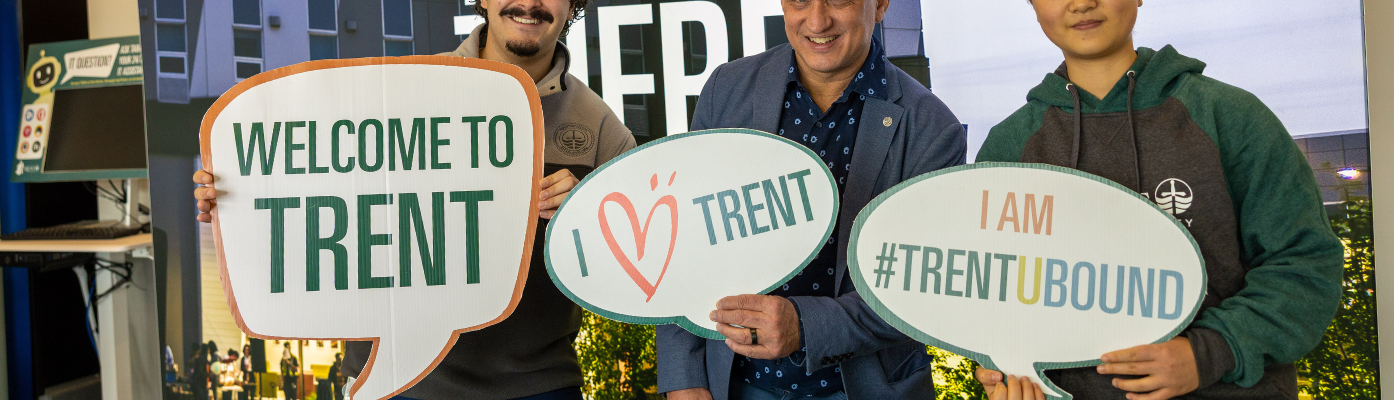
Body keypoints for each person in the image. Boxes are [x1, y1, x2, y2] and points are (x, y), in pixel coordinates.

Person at [191, 0, 636, 397]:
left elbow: (636, 263)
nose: (530, 3)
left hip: (535, 385)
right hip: (394, 382)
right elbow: (313, 183)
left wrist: (588, 215)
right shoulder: (403, 89)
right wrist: (236, 199)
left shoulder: (598, 128)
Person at [973, 0, 1344, 399]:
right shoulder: (1010, 145)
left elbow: (1304, 264)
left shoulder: (1230, 117)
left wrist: (1207, 353)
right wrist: (1003, 370)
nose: (1081, 3)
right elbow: (995, 295)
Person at [656, 0, 965, 398]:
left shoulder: (934, 130)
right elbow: (685, 241)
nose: (817, 20)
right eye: (800, 0)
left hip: (863, 387)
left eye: (840, 0)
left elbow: (920, 293)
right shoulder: (726, 89)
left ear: (882, 4)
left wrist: (805, 326)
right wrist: (686, 379)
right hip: (731, 384)